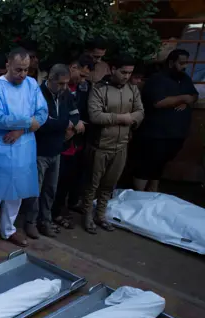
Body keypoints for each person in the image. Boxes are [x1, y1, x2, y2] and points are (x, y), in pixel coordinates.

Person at [0, 47, 48, 251]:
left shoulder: (31, 85)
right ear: (8, 65)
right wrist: (29, 123)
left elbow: (43, 113)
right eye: (18, 69)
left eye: (26, 70)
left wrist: (20, 130)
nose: (23, 74)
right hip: (1, 145)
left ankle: (9, 229)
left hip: (24, 145)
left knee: (17, 191)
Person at [82, 54, 144, 234]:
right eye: (123, 72)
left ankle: (101, 215)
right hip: (100, 146)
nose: (126, 76)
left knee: (110, 184)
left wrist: (131, 119)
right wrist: (122, 118)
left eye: (130, 73)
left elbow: (140, 111)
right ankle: (87, 216)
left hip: (121, 145)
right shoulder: (99, 89)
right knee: (92, 185)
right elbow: (95, 116)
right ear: (113, 69)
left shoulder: (132, 89)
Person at [24, 64, 81, 239]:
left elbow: (75, 115)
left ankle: (45, 221)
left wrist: (67, 124)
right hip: (40, 150)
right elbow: (41, 124)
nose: (65, 87)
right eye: (61, 83)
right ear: (51, 80)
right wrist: (65, 124)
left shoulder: (66, 96)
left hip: (57, 149)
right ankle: (30, 223)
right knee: (35, 190)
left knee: (50, 189)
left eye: (66, 83)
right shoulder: (38, 95)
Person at [132, 49, 198, 193]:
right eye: (181, 63)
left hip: (175, 135)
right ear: (171, 63)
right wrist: (182, 99)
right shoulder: (157, 79)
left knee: (159, 166)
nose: (185, 66)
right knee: (145, 166)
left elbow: (194, 95)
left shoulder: (184, 78)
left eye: (186, 63)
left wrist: (188, 99)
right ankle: (138, 197)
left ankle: (153, 194)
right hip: (155, 135)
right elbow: (158, 102)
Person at [52, 54, 95, 227]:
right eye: (82, 75)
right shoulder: (58, 88)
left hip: (76, 141)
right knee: (56, 182)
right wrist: (70, 125)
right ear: (73, 67)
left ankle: (62, 209)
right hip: (58, 142)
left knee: (70, 179)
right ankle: (52, 214)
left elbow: (80, 112)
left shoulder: (84, 88)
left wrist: (77, 123)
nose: (83, 80)